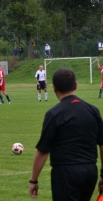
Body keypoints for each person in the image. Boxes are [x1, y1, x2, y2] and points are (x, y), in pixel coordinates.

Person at [29, 67, 103, 201]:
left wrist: (33, 180)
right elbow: (102, 145)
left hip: (65, 173)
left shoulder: (54, 114)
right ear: (76, 85)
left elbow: (43, 151)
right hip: (90, 171)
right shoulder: (93, 111)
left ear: (54, 87)